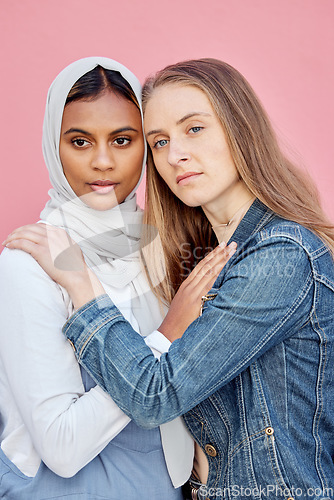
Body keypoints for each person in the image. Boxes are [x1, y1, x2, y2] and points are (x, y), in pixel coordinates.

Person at [5, 58, 334, 499]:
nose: (175, 155)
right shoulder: (191, 255)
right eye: (159, 140)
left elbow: (156, 395)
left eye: (194, 129)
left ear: (241, 130)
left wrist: (84, 289)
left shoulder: (278, 257)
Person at [0, 56, 232, 499]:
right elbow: (62, 448)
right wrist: (166, 335)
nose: (103, 161)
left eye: (123, 140)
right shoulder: (30, 263)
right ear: (54, 145)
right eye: (81, 142)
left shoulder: (164, 247)